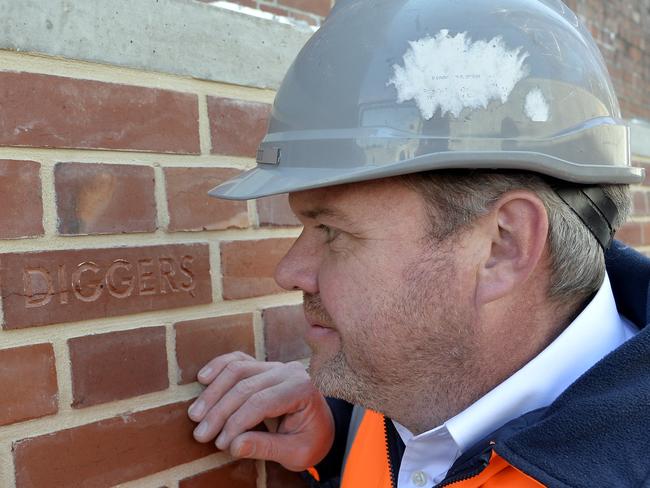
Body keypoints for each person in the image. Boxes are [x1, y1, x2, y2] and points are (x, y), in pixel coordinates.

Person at [188, 0, 650, 486]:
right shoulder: (412, 381)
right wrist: (337, 445)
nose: (290, 271)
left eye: (333, 231)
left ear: (503, 246)